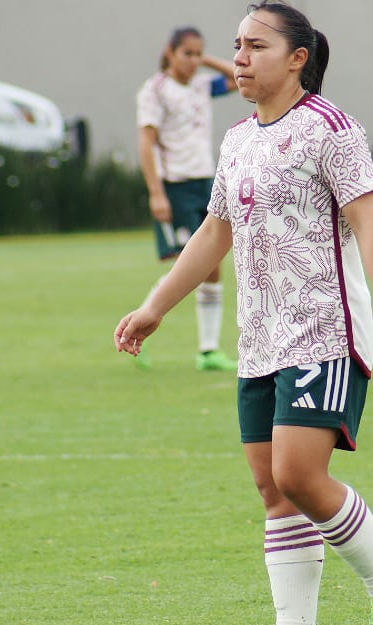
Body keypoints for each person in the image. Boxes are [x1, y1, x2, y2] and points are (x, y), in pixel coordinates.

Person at [115, 2, 373, 625]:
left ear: (297, 58)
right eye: (237, 45)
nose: (239, 59)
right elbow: (213, 233)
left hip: (323, 332)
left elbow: (370, 227)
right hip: (260, 338)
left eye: (255, 46)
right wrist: (155, 306)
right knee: (273, 489)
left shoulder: (332, 130)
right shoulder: (237, 140)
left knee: (299, 474)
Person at [136, 26, 239, 371]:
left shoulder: (200, 85)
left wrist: (205, 60)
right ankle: (140, 323)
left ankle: (208, 351)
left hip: (205, 182)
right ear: (170, 52)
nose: (194, 60)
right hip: (175, 185)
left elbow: (238, 78)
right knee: (187, 264)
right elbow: (146, 142)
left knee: (212, 264)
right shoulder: (155, 90)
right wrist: (156, 193)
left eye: (199, 53)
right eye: (187, 53)